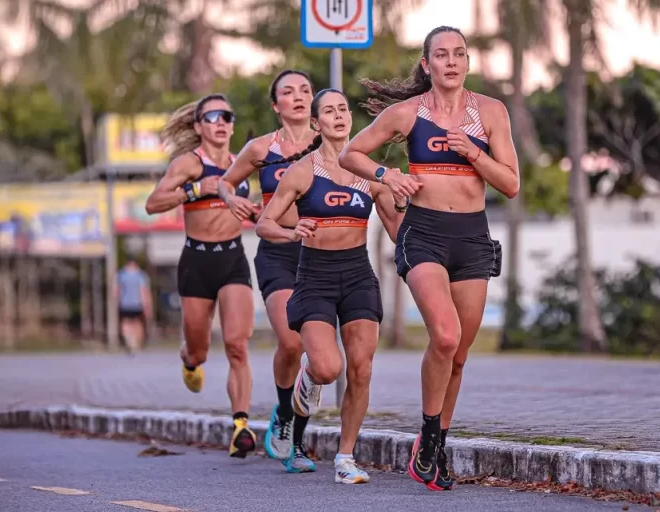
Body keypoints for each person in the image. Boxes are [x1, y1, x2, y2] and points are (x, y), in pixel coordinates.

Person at [338, 26, 519, 491]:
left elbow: (511, 183)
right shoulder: (408, 114)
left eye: (460, 54)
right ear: (427, 64)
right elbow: (350, 154)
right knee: (444, 334)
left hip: (472, 237)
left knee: (457, 355)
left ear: (467, 63)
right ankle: (431, 441)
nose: (452, 62)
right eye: (442, 55)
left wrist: (473, 152)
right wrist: (387, 174)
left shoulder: (491, 113)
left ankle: (431, 443)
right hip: (424, 234)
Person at [253, 88, 409, 483]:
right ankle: (306, 378)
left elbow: (397, 232)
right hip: (315, 276)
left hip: (357, 274)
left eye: (343, 109)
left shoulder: (370, 173)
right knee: (327, 368)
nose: (339, 116)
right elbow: (265, 223)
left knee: (360, 369)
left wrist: (402, 199)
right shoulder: (302, 171)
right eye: (329, 111)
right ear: (317, 122)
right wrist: (292, 234)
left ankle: (344, 458)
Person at [145, 93, 259, 460]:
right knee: (200, 349)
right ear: (198, 127)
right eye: (212, 117)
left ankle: (240, 426)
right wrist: (195, 189)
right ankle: (190, 359)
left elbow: (251, 210)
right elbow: (153, 203)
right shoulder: (188, 164)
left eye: (227, 115)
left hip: (233, 259)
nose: (221, 122)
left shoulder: (243, 163)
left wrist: (259, 214)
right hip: (197, 261)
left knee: (237, 344)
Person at [218, 70, 317, 465]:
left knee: (315, 353)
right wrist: (231, 200)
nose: (298, 97)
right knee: (291, 342)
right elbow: (226, 182)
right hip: (277, 250)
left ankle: (296, 439)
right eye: (288, 92)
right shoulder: (261, 149)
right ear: (276, 105)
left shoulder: (332, 144)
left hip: (320, 253)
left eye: (305, 90)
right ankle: (284, 410)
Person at [116, 258, 152, 354]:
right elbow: (143, 291)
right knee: (137, 323)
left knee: (126, 322)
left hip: (124, 303)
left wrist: (116, 301)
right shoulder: (141, 275)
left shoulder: (121, 274)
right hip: (137, 303)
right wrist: (147, 304)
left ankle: (129, 340)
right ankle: (135, 343)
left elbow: (116, 290)